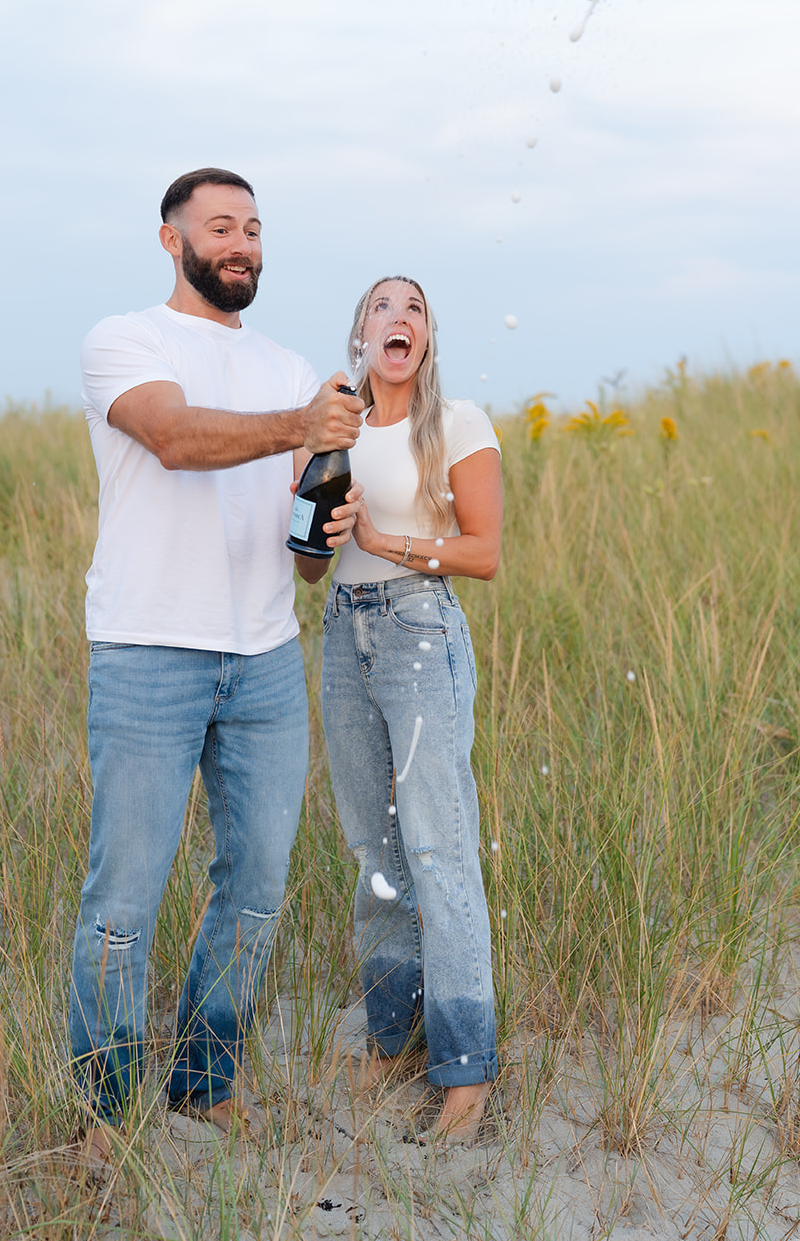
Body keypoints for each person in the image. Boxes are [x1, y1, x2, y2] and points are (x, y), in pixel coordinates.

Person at [69, 168, 363, 1156]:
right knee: (125, 896)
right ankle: (104, 1105)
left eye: (252, 229)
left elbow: (305, 554)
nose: (239, 244)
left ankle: (203, 1081)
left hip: (266, 660)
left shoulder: (289, 367)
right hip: (150, 648)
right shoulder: (125, 341)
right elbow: (172, 438)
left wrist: (327, 522)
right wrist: (300, 426)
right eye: (219, 227)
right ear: (171, 240)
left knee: (257, 885)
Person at [295, 275, 503, 1140]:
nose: (399, 318)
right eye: (383, 306)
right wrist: (323, 526)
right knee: (372, 847)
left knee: (436, 845)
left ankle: (464, 1068)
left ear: (423, 338)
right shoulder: (331, 428)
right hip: (344, 635)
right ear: (360, 334)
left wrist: (385, 542)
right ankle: (389, 1039)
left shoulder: (457, 423)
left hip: (420, 636)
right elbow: (310, 566)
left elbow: (484, 553)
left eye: (413, 308)